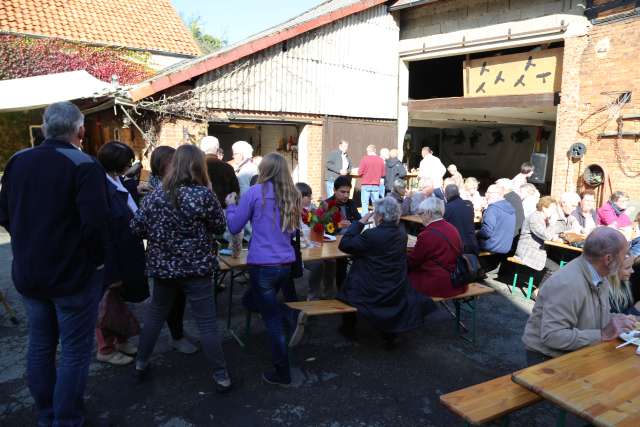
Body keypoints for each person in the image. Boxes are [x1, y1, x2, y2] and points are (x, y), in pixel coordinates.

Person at [0, 101, 109, 426]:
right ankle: (66, 420)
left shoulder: (17, 161)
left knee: (41, 343)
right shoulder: (83, 164)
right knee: (75, 350)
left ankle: (47, 415)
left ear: (45, 128)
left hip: (29, 272)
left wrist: (29, 241)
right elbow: (96, 226)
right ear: (80, 131)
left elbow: (4, 214)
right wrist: (98, 265)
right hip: (72, 277)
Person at [131, 144, 231, 392]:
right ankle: (221, 375)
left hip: (163, 269)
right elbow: (220, 228)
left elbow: (136, 228)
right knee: (206, 322)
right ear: (199, 166)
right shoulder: (203, 195)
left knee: (155, 316)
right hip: (196, 269)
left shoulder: (155, 195)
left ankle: (141, 364)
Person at [225, 152, 304, 386]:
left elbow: (234, 225)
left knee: (270, 319)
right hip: (285, 265)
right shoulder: (293, 196)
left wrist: (230, 206)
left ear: (265, 170)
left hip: (263, 265)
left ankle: (283, 372)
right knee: (256, 301)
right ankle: (287, 315)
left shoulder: (254, 193)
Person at [522, 227, 636, 365]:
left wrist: (617, 320)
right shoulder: (568, 284)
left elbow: (590, 316)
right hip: (546, 361)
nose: (626, 261)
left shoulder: (599, 276)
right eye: (624, 256)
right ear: (608, 259)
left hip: (574, 353)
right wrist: (603, 334)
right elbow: (552, 336)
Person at [338, 197, 434, 347]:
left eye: (376, 214)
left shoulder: (371, 235)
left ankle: (348, 329)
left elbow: (344, 245)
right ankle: (389, 333)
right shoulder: (401, 234)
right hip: (394, 287)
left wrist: (360, 222)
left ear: (381, 217)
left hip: (371, 290)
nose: (375, 217)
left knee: (346, 286)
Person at [96, 141, 148, 365]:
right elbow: (104, 231)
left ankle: (120, 339)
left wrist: (133, 186)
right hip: (113, 255)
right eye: (127, 162)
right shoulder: (101, 187)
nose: (130, 165)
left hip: (127, 250)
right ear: (117, 164)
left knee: (119, 300)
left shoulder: (116, 179)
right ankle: (105, 348)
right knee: (107, 302)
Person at [147, 146, 198, 354]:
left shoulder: (169, 186)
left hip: (174, 257)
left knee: (177, 300)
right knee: (163, 306)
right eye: (173, 161)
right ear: (162, 165)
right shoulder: (158, 189)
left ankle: (177, 333)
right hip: (166, 258)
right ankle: (173, 338)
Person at [408, 197, 466, 298]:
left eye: (421, 213)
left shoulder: (427, 234)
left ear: (429, 213)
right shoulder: (452, 228)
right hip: (457, 281)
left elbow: (413, 261)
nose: (419, 216)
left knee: (400, 279)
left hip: (437, 284)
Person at [515, 196, 561, 277]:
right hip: (528, 252)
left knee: (556, 259)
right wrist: (552, 224)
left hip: (537, 251)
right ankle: (540, 290)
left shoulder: (543, 218)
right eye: (552, 209)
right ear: (544, 208)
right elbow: (546, 235)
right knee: (556, 269)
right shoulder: (535, 217)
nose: (554, 211)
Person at [201, 136, 240, 208]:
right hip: (223, 208)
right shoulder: (227, 167)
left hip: (201, 209)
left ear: (201, 149)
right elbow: (235, 191)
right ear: (217, 150)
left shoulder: (196, 167)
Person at [477, 184, 516, 254]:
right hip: (505, 247)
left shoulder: (493, 209)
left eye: (489, 193)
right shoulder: (511, 208)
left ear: (498, 194)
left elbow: (486, 233)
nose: (486, 195)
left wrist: (475, 233)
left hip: (490, 246)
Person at [443, 184, 479, 254]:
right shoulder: (469, 204)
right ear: (459, 193)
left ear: (446, 195)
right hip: (472, 244)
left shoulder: (447, 208)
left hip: (456, 247)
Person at [358, 144, 386, 210]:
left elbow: (359, 173)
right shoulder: (380, 160)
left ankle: (364, 219)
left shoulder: (364, 159)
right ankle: (376, 219)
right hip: (376, 184)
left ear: (368, 151)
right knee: (376, 205)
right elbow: (383, 174)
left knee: (365, 204)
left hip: (365, 184)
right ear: (375, 151)